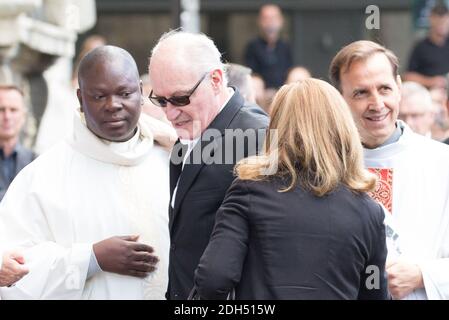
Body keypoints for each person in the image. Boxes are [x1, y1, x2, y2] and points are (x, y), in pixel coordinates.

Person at [0, 45, 175, 299]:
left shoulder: (171, 161)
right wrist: (91, 258)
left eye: (124, 93)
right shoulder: (44, 175)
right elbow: (12, 271)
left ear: (140, 90)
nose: (113, 105)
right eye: (99, 96)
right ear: (81, 98)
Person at [193, 79, 388, 300]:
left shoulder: (249, 191)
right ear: (344, 128)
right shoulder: (368, 211)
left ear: (278, 127)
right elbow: (373, 288)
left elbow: (214, 278)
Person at [148, 30, 268, 300]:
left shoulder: (257, 137)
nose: (169, 113)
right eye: (161, 100)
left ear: (215, 80)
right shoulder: (190, 133)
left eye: (180, 99)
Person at [330, 40, 449, 299]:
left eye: (384, 88)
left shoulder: (442, 163)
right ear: (340, 100)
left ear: (399, 88)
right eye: (361, 93)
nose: (376, 103)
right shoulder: (326, 169)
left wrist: (422, 274)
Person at [0, 85, 37, 201]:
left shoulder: (36, 163)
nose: (7, 116)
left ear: (23, 116)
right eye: (1, 109)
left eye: (13, 110)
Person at [244, 4, 293, 90]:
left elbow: (291, 70)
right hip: (261, 93)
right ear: (260, 21)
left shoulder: (286, 46)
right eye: (266, 18)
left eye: (274, 18)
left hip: (284, 91)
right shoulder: (252, 46)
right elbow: (251, 73)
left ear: (281, 21)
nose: (270, 22)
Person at [404, 2, 449, 89]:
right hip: (430, 94)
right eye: (439, 21)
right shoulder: (421, 47)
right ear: (431, 19)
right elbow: (408, 76)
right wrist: (431, 81)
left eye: (444, 21)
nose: (442, 25)